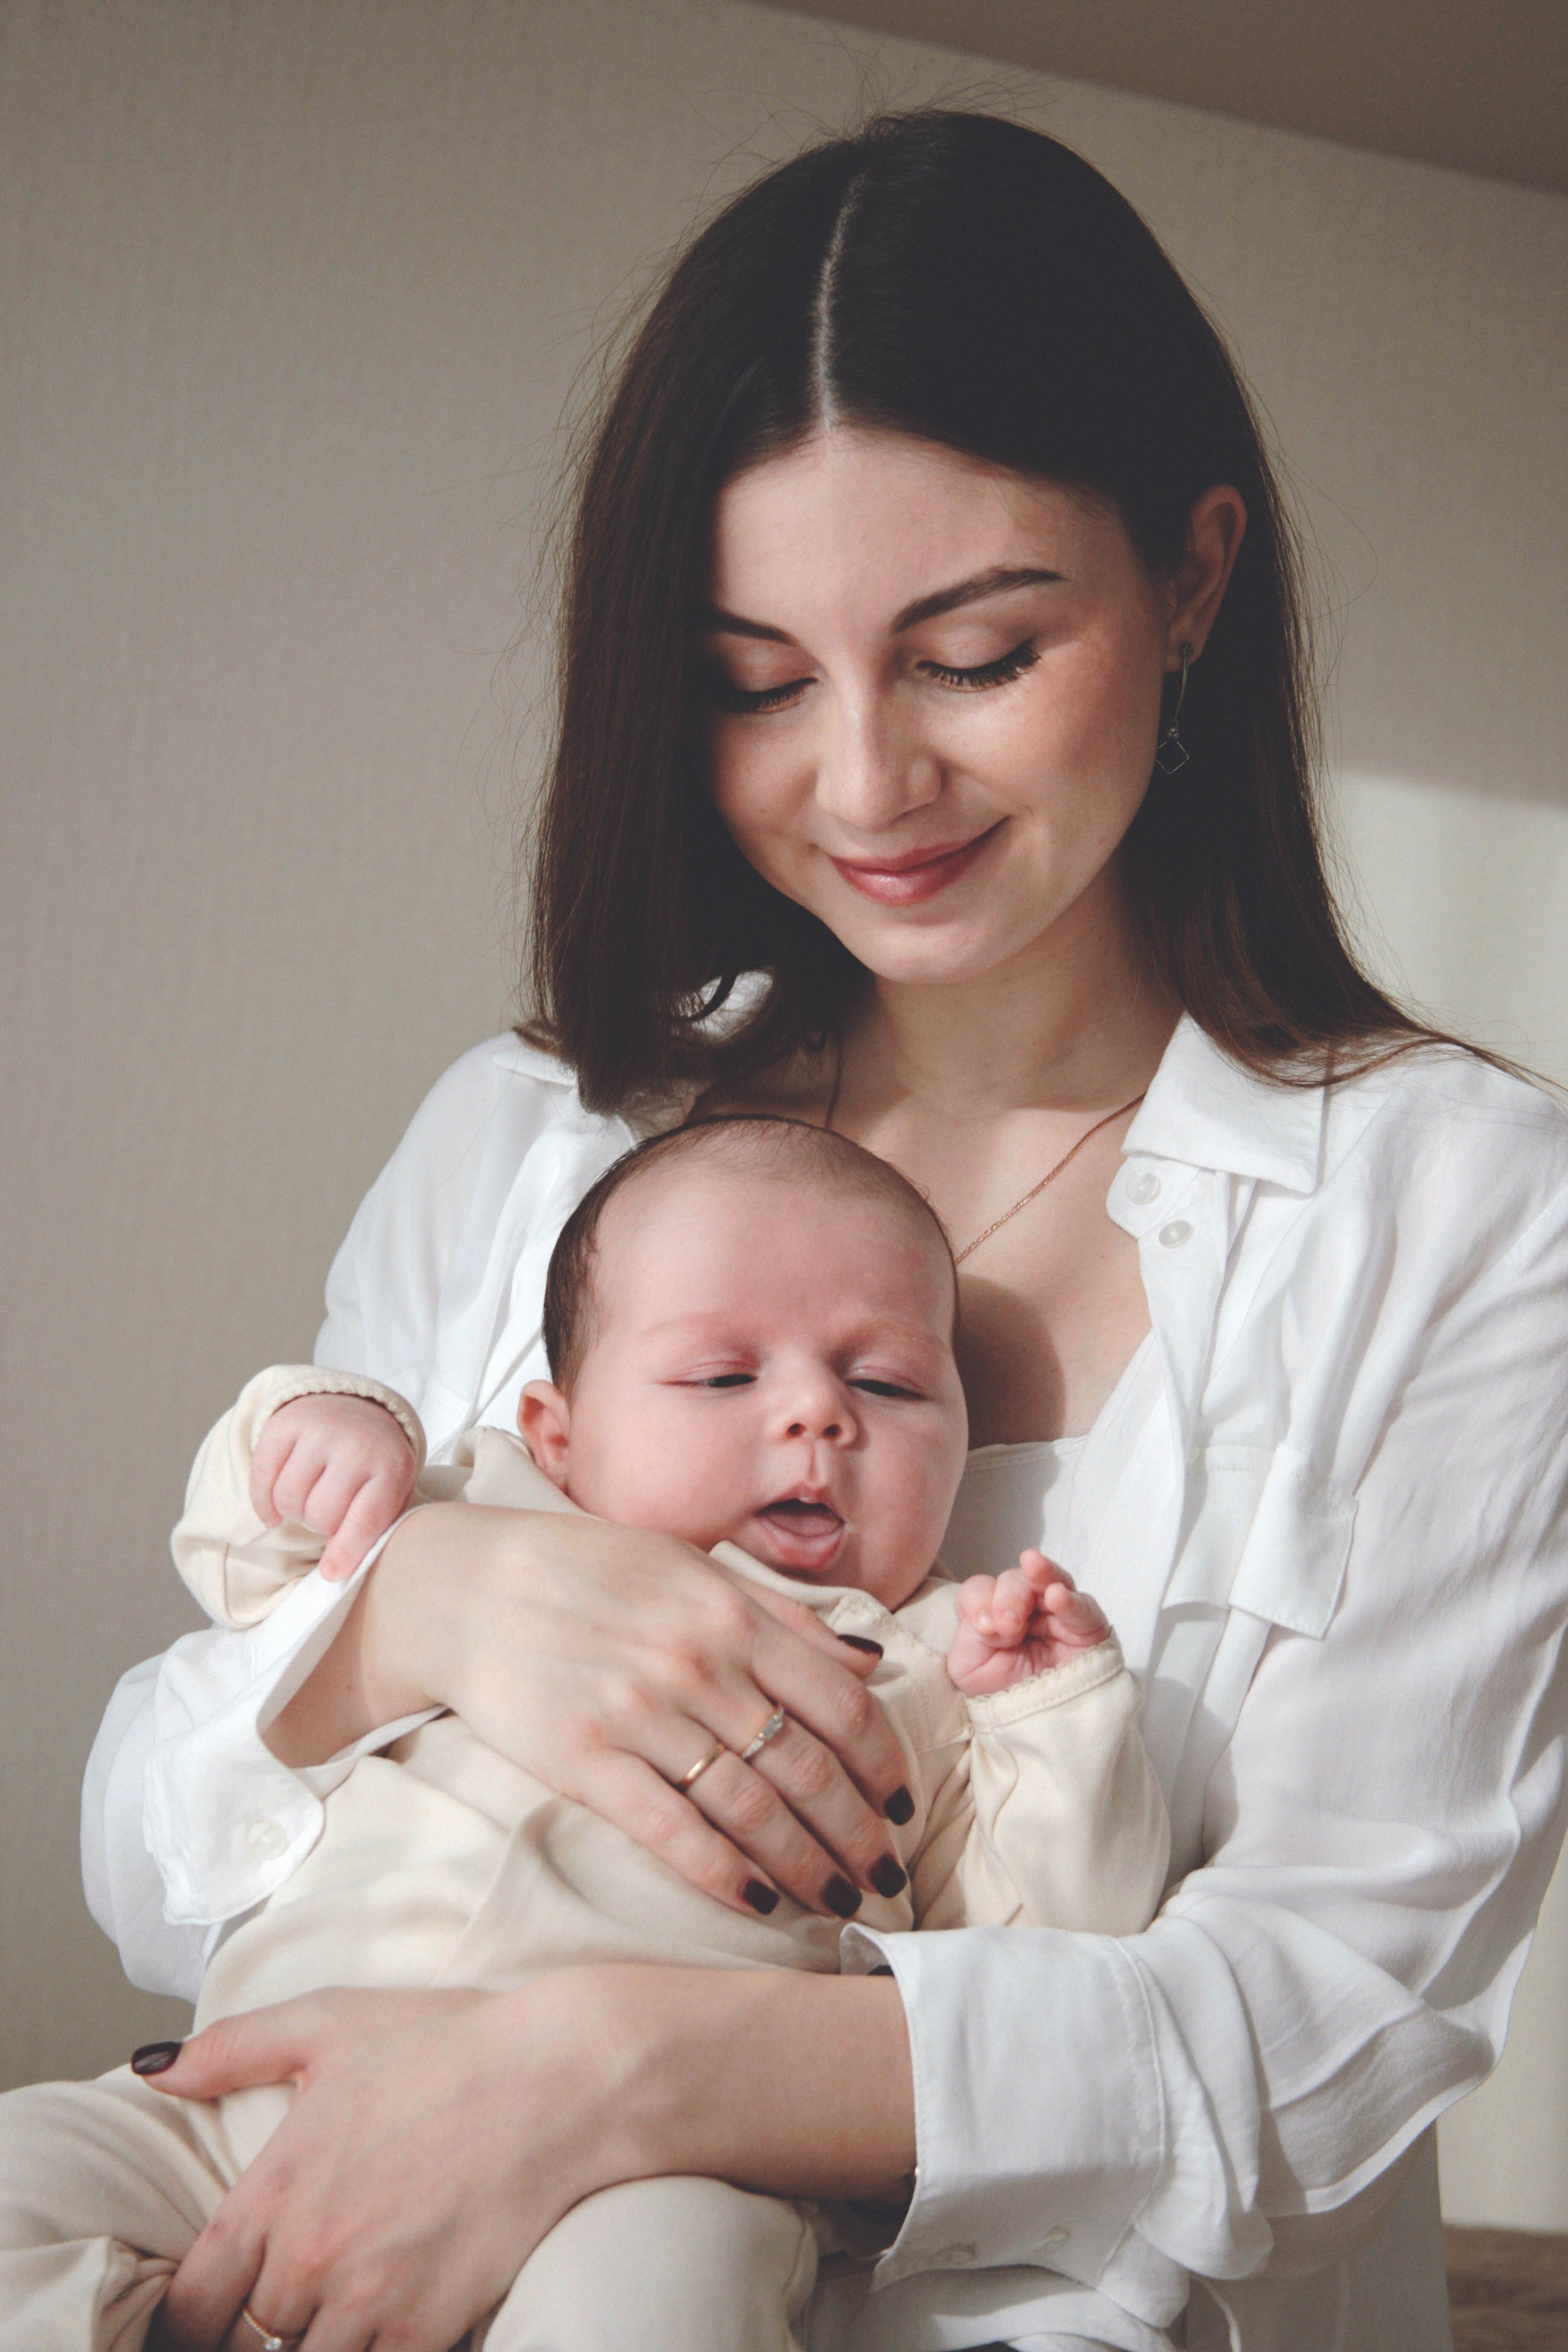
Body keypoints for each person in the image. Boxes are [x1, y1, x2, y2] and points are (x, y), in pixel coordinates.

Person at [73, 107, 1568, 2352]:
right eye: (757, 679)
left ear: (1190, 578)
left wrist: (616, 2079)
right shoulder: (530, 1136)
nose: (863, 786)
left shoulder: (1464, 1209)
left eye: (973, 654)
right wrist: (428, 1605)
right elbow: (148, 1849)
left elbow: (1324, 2036)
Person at [0, 1115, 1170, 2351]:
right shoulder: (488, 1511)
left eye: (884, 1383)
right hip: (247, 2111)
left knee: (665, 2290)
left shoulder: (930, 1671)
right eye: (725, 1375)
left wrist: (1054, 1719)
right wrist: (330, 1427)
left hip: (646, 2175)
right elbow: (244, 1554)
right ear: (558, 1435)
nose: (817, 1416)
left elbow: (1042, 1957)